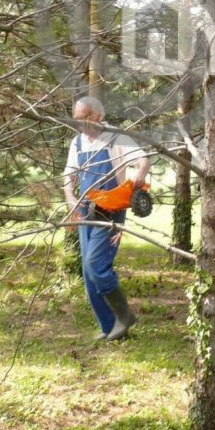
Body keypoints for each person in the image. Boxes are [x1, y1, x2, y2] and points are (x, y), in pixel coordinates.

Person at [63, 96, 151, 342]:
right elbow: (68, 178)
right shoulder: (77, 143)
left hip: (111, 211)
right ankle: (109, 326)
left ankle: (124, 317)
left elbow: (143, 160)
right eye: (77, 120)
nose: (80, 124)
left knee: (96, 266)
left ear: (97, 116)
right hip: (86, 211)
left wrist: (135, 186)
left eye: (84, 119)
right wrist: (71, 200)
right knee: (88, 272)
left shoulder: (116, 137)